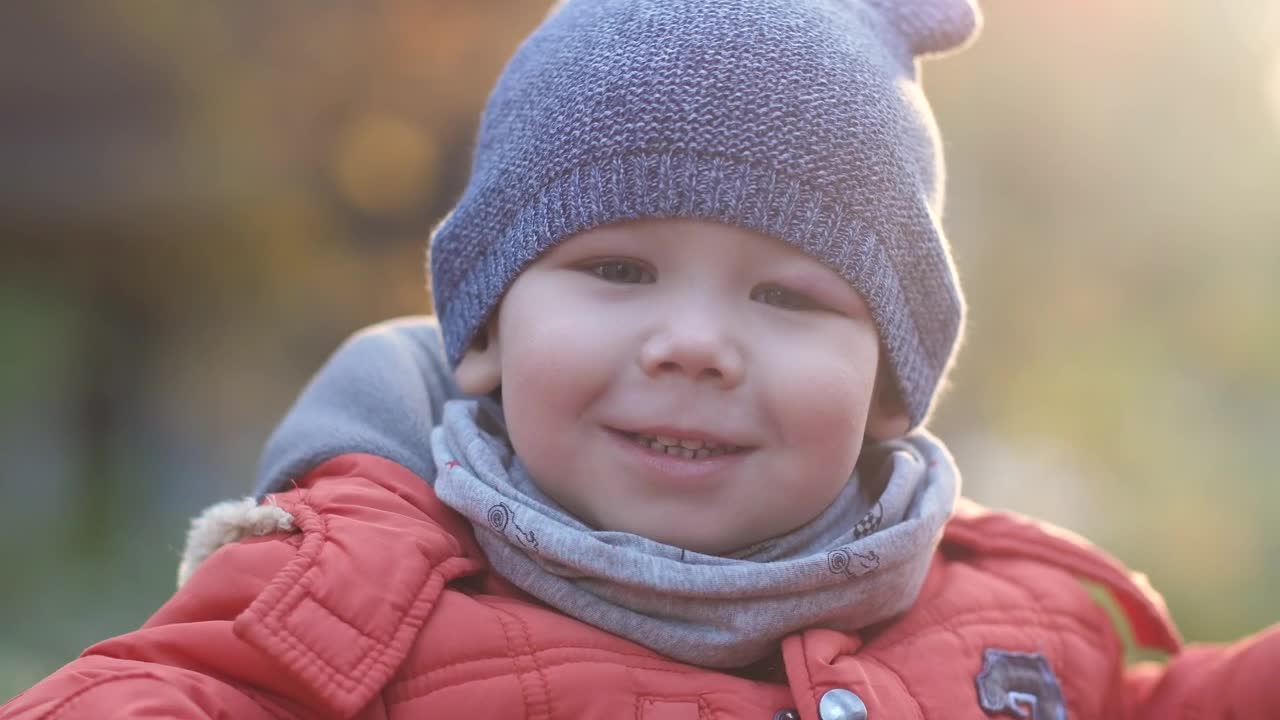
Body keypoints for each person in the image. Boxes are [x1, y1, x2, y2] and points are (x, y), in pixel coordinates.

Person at [5, 0, 1278, 718]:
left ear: (890, 385)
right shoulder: (347, 597)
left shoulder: (1013, 628)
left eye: (787, 295)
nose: (692, 344)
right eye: (616, 271)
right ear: (489, 331)